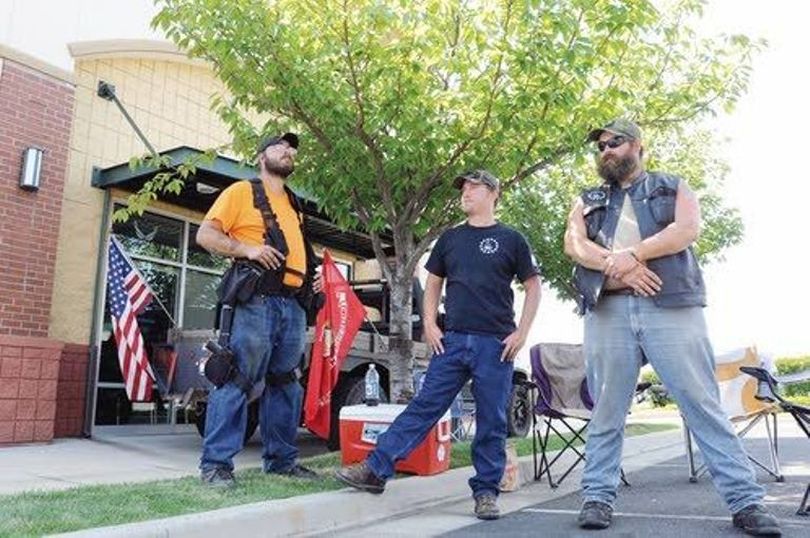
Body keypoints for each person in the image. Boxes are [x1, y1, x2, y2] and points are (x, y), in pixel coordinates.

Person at [564, 118, 781, 536]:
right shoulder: (586, 198)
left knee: (702, 404)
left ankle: (746, 503)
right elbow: (574, 244)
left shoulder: (673, 185)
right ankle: (596, 496)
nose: (606, 150)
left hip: (671, 306)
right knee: (607, 408)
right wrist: (619, 266)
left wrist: (632, 253)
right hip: (608, 308)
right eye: (601, 146)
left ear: (638, 146)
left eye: (615, 142)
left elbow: (685, 230)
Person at [335, 170, 541, 521]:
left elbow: (533, 286)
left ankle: (487, 492)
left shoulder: (512, 239)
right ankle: (375, 469)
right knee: (424, 407)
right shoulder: (450, 239)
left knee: (491, 418)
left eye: (473, 187)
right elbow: (433, 284)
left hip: (496, 344)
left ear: (493, 192)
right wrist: (429, 324)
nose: (465, 192)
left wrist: (521, 333)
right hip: (453, 342)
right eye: (463, 187)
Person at [196, 132, 321, 487]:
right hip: (256, 303)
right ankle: (216, 466)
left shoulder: (295, 204)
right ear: (261, 156)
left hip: (293, 306)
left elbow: (298, 253)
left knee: (285, 384)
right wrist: (246, 249)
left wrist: (311, 279)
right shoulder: (241, 193)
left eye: (292, 148)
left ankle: (281, 462)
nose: (289, 151)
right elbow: (205, 236)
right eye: (280, 146)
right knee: (237, 379)